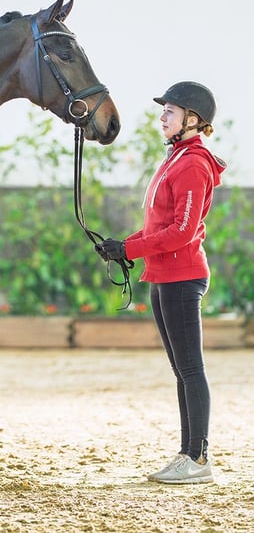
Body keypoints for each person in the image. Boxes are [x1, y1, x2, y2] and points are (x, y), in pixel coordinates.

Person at [95, 81, 226, 485]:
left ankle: (199, 457)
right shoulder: (176, 157)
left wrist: (131, 250)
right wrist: (124, 246)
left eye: (169, 111)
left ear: (192, 119)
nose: (161, 117)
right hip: (165, 275)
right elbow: (160, 226)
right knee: (181, 370)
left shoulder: (192, 164)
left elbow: (182, 232)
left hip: (183, 277)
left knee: (190, 369)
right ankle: (188, 453)